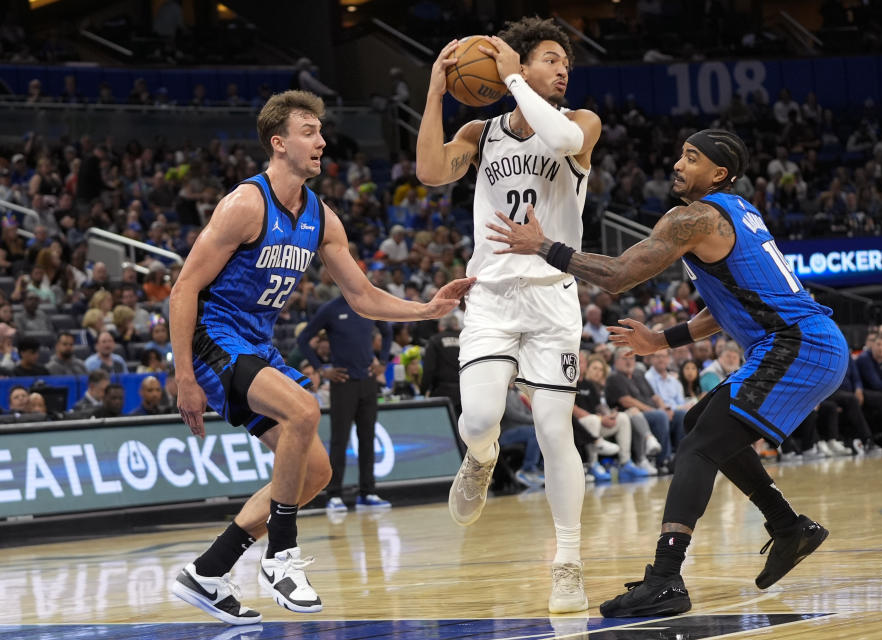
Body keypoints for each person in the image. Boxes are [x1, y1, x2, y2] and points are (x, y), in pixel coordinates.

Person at [489, 128, 847, 617]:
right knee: (700, 426)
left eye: (692, 157)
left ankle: (666, 579)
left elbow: (618, 275)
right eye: (680, 153)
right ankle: (787, 527)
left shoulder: (695, 218)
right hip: (806, 343)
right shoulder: (740, 211)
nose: (678, 163)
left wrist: (544, 246)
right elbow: (728, 305)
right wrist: (661, 341)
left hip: (797, 345)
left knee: (698, 446)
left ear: (718, 174)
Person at [168, 90, 473, 625]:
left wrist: (426, 309)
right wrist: (184, 377)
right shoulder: (245, 204)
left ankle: (208, 572)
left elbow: (362, 295)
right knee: (304, 410)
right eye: (309, 130)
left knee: (315, 473)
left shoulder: (321, 218)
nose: (322, 140)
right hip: (213, 339)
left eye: (321, 130)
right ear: (278, 142)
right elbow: (183, 289)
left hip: (257, 344)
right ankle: (281, 555)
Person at [415, 17, 601, 613]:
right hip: (492, 295)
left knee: (554, 431)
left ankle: (567, 563)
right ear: (523, 62)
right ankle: (481, 457)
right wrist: (435, 94)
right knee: (478, 418)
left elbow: (567, 146)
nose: (562, 68)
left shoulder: (579, 123)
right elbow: (428, 172)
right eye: (550, 58)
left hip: (552, 294)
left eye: (564, 62)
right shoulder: (481, 130)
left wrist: (517, 79)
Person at [295, 295, 393, 513]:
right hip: (343, 382)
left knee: (367, 438)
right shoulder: (330, 309)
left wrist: (383, 361)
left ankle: (367, 492)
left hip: (368, 382)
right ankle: (334, 494)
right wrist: (321, 368)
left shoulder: (367, 304)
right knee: (340, 440)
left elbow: (387, 332)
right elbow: (303, 339)